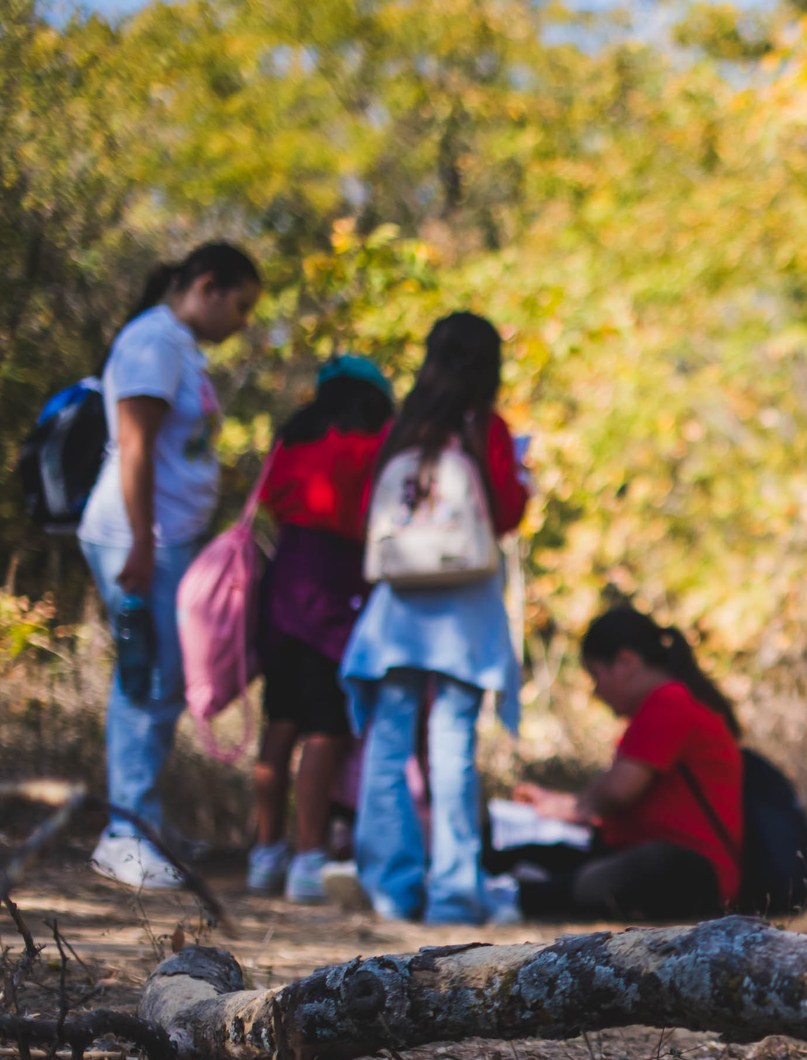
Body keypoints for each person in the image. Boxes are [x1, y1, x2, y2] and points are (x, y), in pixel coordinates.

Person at [77, 243, 263, 890]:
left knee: (167, 679)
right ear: (207, 286)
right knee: (147, 678)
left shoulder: (181, 346)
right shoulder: (152, 341)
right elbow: (134, 447)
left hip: (164, 539)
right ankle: (125, 835)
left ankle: (144, 822)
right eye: (239, 305)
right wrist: (139, 541)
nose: (241, 321)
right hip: (138, 539)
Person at [334, 313, 530, 926]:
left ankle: (391, 886)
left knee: (388, 744)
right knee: (453, 746)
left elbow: (364, 512)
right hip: (466, 610)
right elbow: (506, 514)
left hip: (399, 612)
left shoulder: (403, 430)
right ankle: (453, 893)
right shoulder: (487, 431)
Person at [245, 357, 394, 902]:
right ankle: (308, 857)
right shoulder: (371, 445)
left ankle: (266, 853)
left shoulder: (292, 438)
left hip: (283, 580)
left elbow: (266, 499)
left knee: (281, 719)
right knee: (326, 727)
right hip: (333, 589)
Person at [497, 607, 743, 921]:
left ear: (626, 662)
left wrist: (566, 808)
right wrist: (557, 804)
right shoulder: (671, 702)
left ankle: (525, 897)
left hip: (695, 875)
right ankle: (524, 890)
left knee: (650, 865)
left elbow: (616, 792)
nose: (596, 691)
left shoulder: (669, 702)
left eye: (596, 675)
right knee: (550, 854)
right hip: (642, 854)